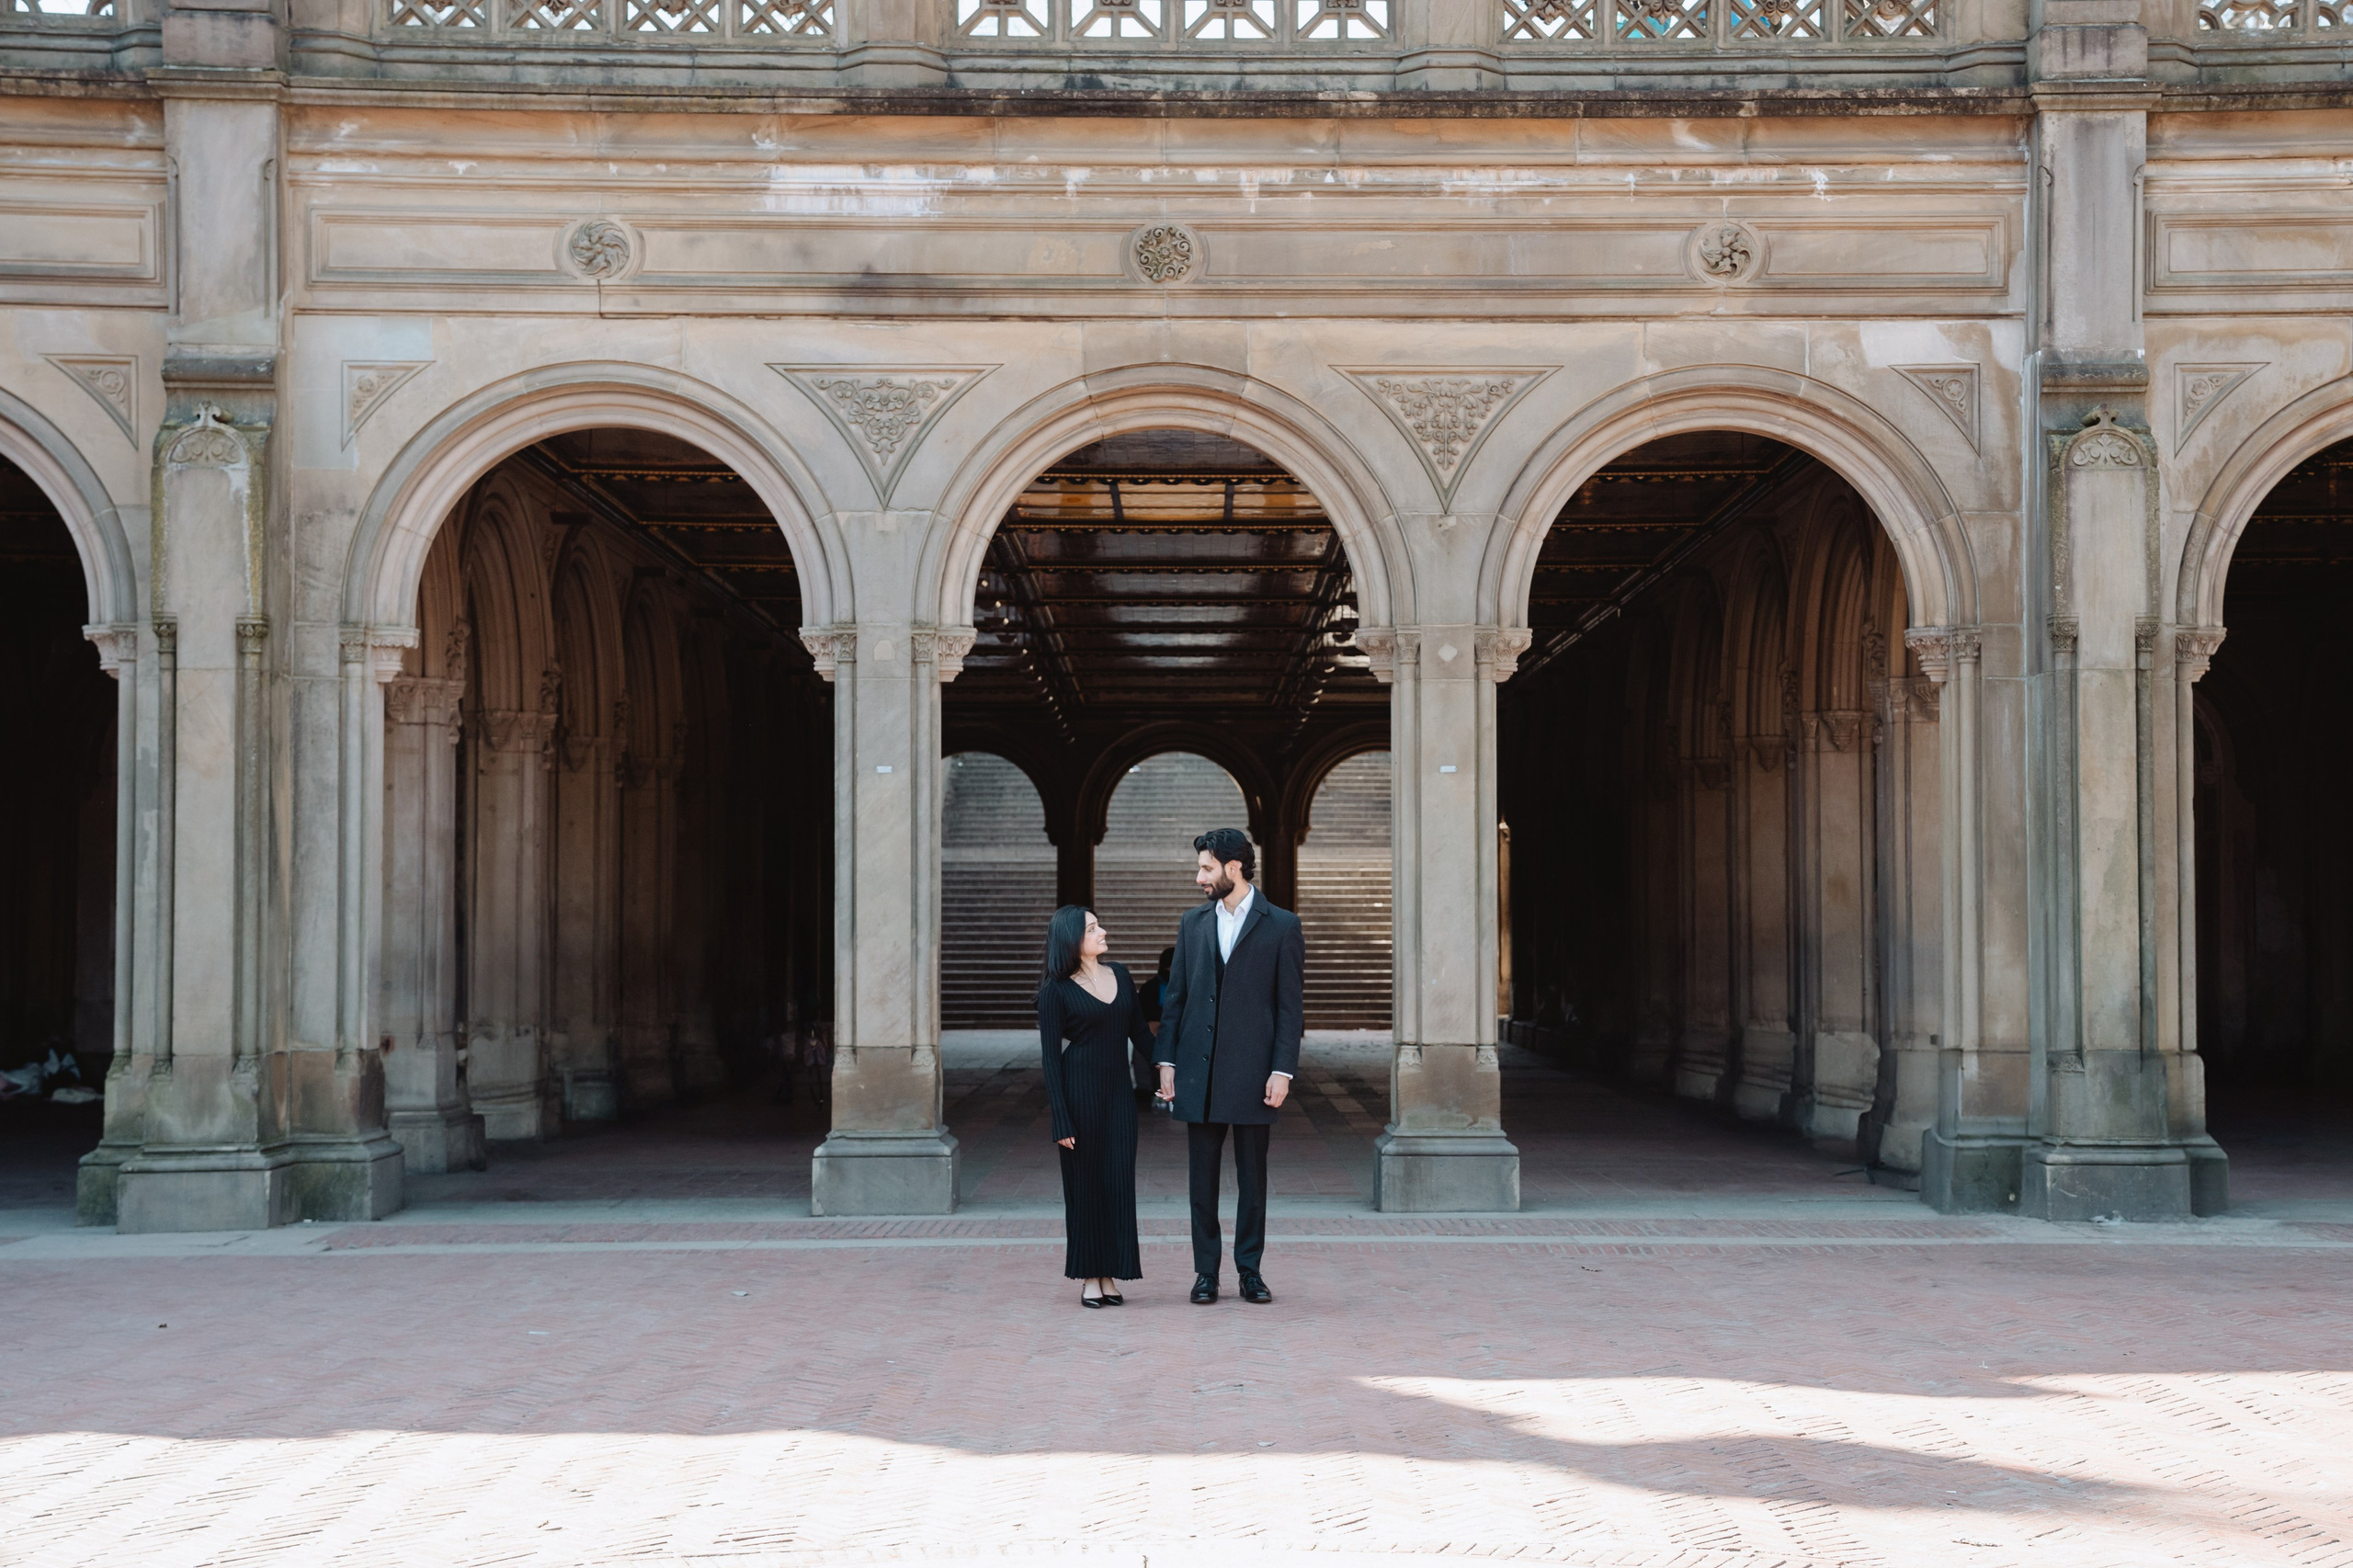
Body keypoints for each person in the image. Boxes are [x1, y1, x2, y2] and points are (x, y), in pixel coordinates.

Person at [1154, 827, 1304, 1306]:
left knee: (1253, 1181)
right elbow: (1176, 999)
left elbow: (1290, 1008)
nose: (1199, 877)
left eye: (1206, 868)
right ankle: (1206, 1274)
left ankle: (1250, 1272)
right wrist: (1166, 1060)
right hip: (1197, 1074)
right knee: (1201, 1181)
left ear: (1233, 868)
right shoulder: (1192, 923)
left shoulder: (1282, 925)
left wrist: (1282, 1069)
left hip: (1255, 1074)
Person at [1037, 904, 1150, 1307]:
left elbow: (1140, 1033)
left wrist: (1170, 1068)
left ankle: (1110, 1273)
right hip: (1078, 1096)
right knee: (1085, 1188)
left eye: (1099, 925)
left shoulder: (1120, 974)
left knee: (1118, 1184)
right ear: (1072, 939)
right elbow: (1050, 1060)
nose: (1102, 932)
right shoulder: (1055, 991)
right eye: (1092, 928)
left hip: (1119, 1096)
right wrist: (1060, 1119)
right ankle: (1089, 1276)